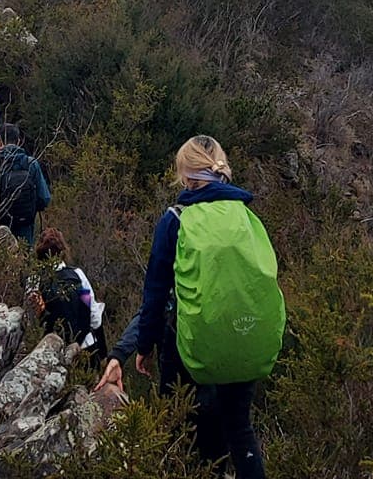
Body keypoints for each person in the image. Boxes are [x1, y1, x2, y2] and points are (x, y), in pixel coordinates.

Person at [97, 136, 281, 479]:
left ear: (185, 176)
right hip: (244, 343)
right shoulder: (246, 216)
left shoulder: (176, 219)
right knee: (240, 432)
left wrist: (144, 346)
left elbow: (156, 293)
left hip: (189, 349)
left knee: (181, 432)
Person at [0, 121, 51, 245]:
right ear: (19, 141)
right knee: (24, 259)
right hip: (25, 228)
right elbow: (45, 199)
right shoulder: (31, 165)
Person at [32, 227, 107, 357]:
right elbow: (93, 313)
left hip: (49, 351)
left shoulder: (34, 280)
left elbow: (32, 320)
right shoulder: (77, 275)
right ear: (62, 251)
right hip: (84, 347)